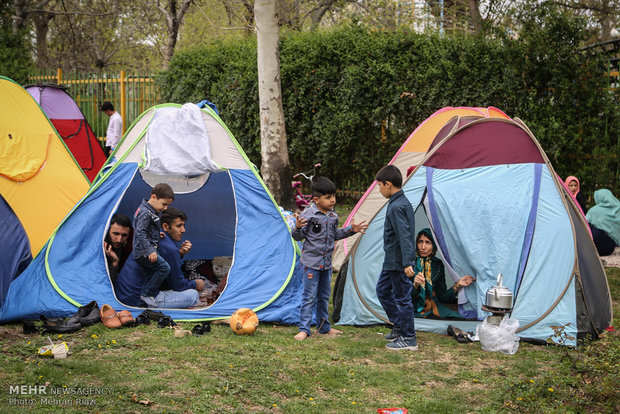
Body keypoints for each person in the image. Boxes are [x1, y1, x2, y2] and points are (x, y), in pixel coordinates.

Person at [292, 177, 368, 341]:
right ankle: (304, 329)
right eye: (328, 197)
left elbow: (335, 235)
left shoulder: (333, 216)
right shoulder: (309, 215)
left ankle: (324, 327)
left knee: (324, 296)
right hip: (311, 264)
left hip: (326, 265)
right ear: (316, 200)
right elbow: (297, 237)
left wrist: (351, 230)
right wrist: (297, 228)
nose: (332, 200)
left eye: (333, 196)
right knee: (309, 297)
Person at [115, 207, 203, 308]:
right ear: (165, 226)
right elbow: (178, 285)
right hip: (138, 300)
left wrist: (179, 254)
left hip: (122, 296)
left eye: (183, 225)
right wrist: (195, 284)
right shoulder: (169, 247)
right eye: (179, 226)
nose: (183, 230)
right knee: (193, 295)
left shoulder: (153, 236)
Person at [374, 165, 418, 351]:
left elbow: (405, 235)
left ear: (388, 184)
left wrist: (408, 262)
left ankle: (409, 337)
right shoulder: (398, 202)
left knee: (402, 298)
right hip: (390, 261)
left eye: (380, 186)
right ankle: (399, 326)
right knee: (382, 290)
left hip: (399, 262)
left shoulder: (397, 206)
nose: (379, 190)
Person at [412, 228, 475, 318]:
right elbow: (403, 295)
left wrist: (457, 285)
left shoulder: (438, 265)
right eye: (420, 242)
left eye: (428, 242)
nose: (423, 247)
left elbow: (442, 296)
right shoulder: (410, 264)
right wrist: (415, 285)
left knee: (459, 319)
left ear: (434, 245)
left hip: (434, 306)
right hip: (413, 306)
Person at [133, 183, 175, 307]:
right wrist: (149, 250)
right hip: (144, 252)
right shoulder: (145, 212)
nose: (165, 208)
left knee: (148, 278)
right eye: (164, 204)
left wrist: (156, 235)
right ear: (153, 196)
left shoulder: (149, 210)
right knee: (164, 268)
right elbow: (140, 232)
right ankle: (147, 295)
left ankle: (141, 308)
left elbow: (147, 228)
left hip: (144, 251)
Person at [585, 189, 620, 257]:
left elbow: (584, 225)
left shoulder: (594, 210)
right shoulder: (618, 209)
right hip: (609, 249)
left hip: (593, 247)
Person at [104, 213, 131, 283]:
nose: (119, 240)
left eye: (124, 235)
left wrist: (115, 262)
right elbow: (105, 283)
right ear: (107, 230)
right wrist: (114, 263)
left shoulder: (125, 244)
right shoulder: (98, 247)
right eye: (115, 234)